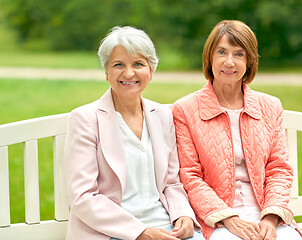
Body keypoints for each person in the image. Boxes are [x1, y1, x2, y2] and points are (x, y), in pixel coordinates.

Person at [64, 26, 204, 240]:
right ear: (106, 72)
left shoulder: (163, 115)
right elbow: (83, 197)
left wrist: (183, 215)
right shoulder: (86, 119)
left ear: (151, 70)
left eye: (138, 64)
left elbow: (171, 183)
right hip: (112, 231)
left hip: (164, 226)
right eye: (118, 64)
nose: (129, 73)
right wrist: (141, 233)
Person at [171, 20, 302, 240]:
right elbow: (190, 177)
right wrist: (228, 219)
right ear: (209, 58)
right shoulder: (185, 110)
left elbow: (278, 169)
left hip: (265, 212)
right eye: (221, 52)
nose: (229, 62)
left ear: (249, 61)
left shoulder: (270, 106)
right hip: (217, 219)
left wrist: (270, 218)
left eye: (239, 54)